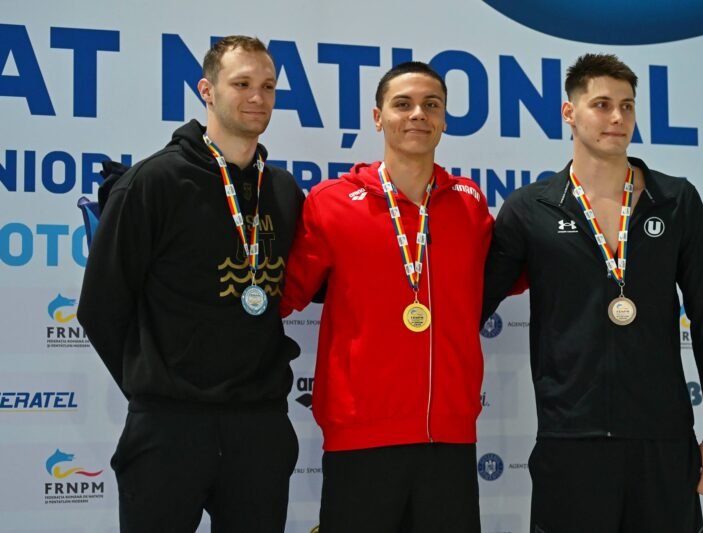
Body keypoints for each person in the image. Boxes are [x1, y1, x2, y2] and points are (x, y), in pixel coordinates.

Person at [482, 53, 703, 533]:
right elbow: (471, 305)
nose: (617, 117)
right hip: (570, 439)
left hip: (663, 440)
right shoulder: (530, 208)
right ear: (569, 113)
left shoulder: (676, 199)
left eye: (626, 105)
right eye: (601, 104)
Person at [77, 35, 304, 533]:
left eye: (267, 86)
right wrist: (161, 385)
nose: (257, 97)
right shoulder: (153, 182)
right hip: (169, 427)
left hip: (258, 428)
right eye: (241, 83)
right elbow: (100, 306)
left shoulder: (284, 190)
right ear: (207, 90)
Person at [280, 61, 493, 533]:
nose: (418, 114)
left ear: (443, 119)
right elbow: (284, 293)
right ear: (378, 117)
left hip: (450, 439)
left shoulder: (470, 202)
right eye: (403, 104)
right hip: (360, 439)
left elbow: (508, 277)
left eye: (431, 105)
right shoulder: (331, 201)